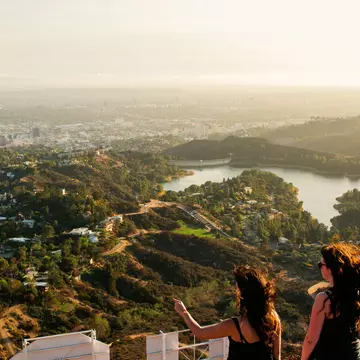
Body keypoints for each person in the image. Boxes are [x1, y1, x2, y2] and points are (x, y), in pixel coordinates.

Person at [173, 265, 281, 360]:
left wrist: (183, 312)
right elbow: (277, 355)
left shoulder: (235, 326)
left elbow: (201, 333)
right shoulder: (274, 318)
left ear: (243, 295)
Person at [301, 243, 360, 360]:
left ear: (330, 269)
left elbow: (311, 339)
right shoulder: (355, 295)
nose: (319, 267)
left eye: (320, 264)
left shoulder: (324, 299)